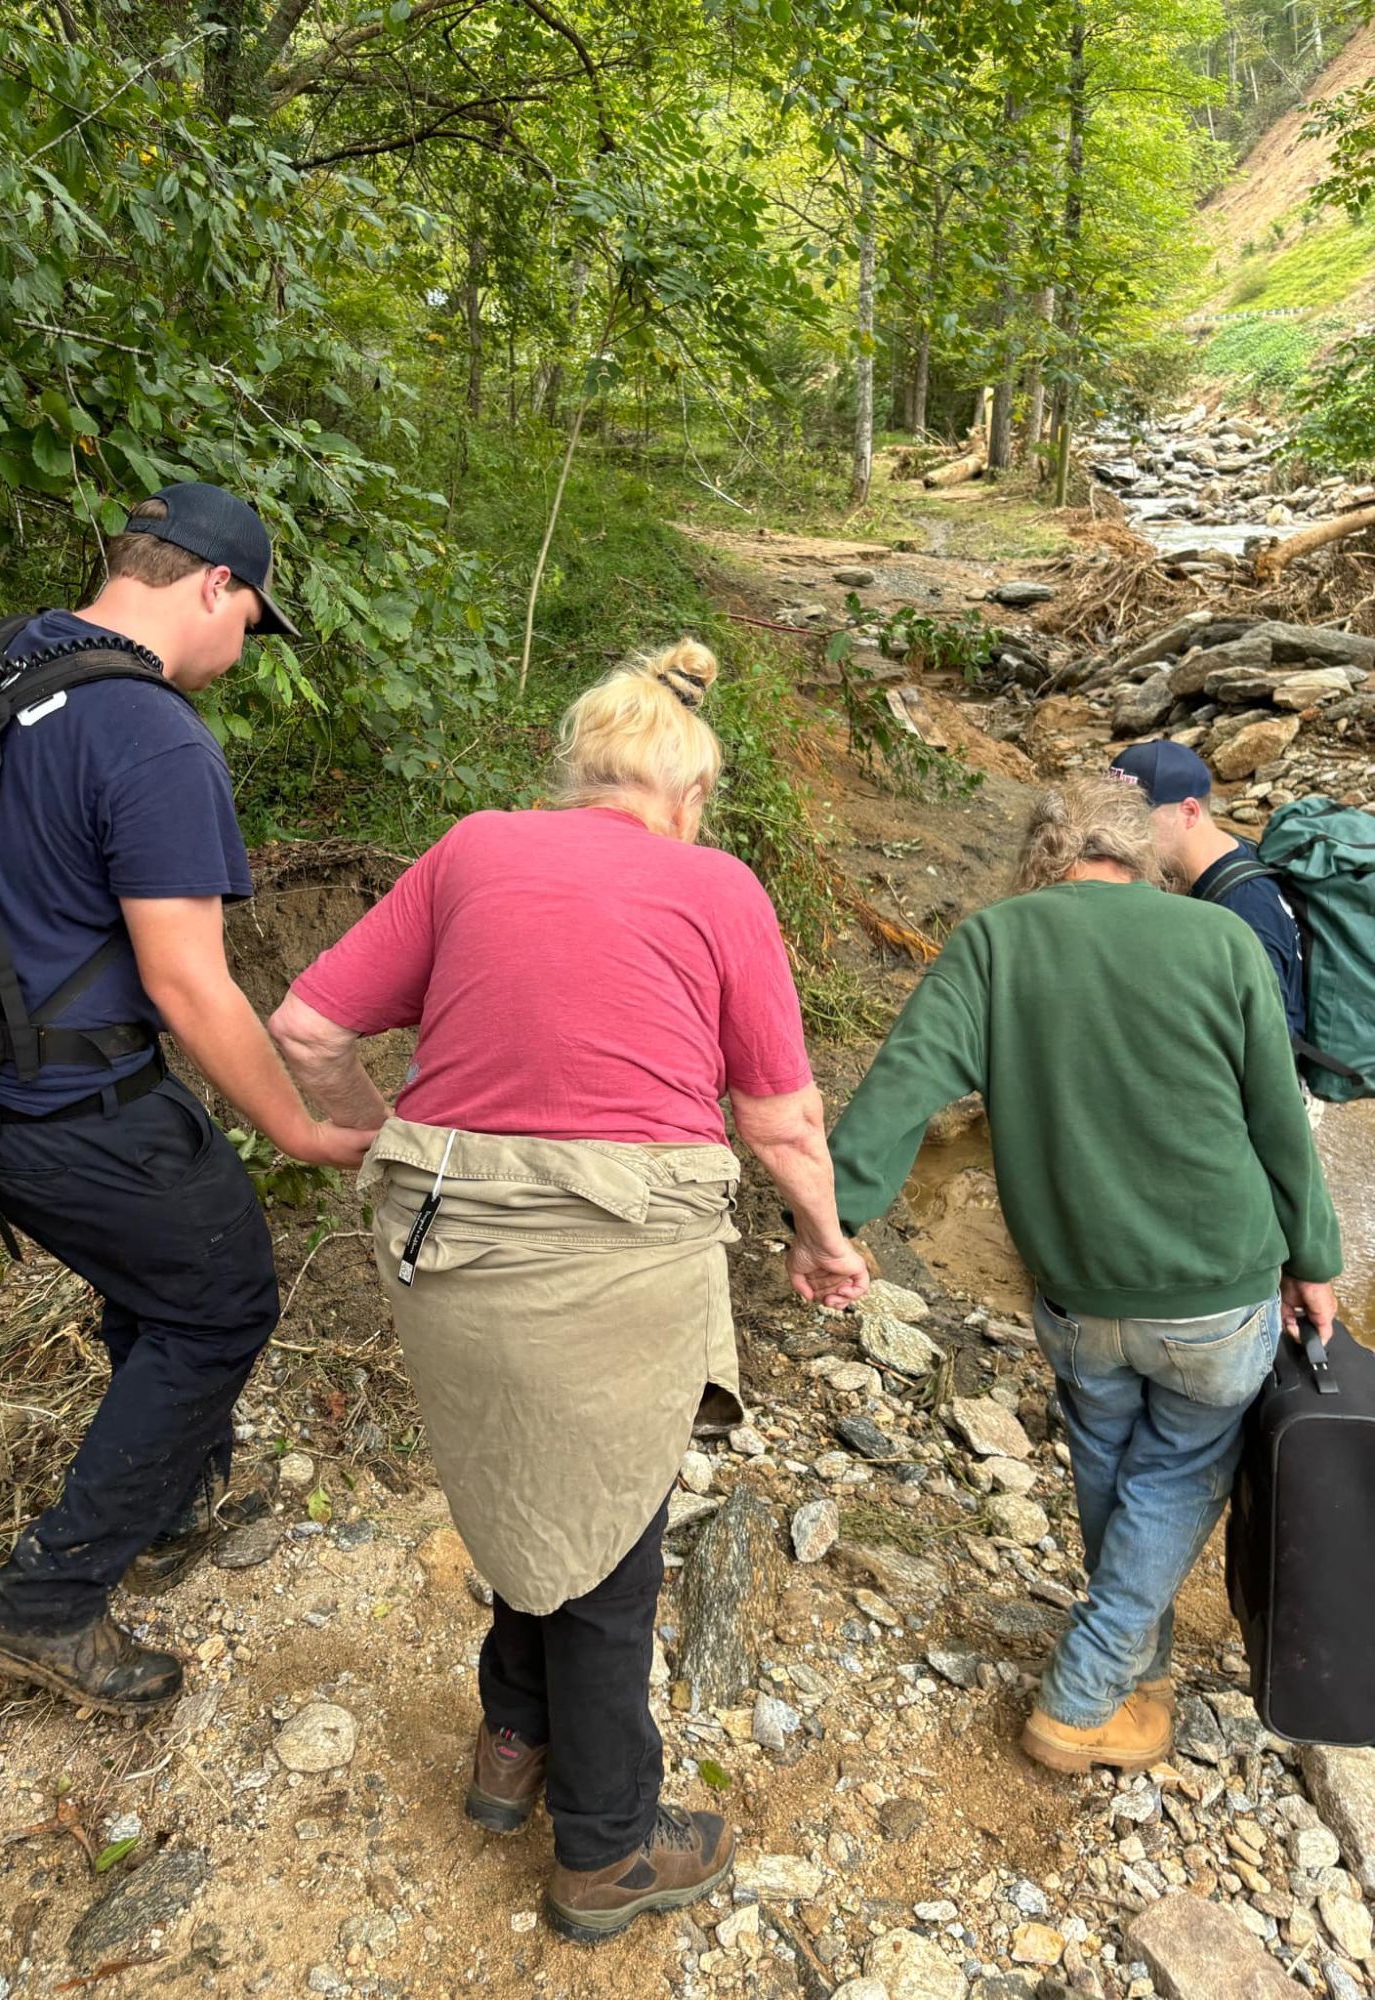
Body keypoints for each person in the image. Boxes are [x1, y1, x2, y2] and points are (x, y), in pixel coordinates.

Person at [269, 640, 869, 1941]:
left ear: (576, 770)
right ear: (687, 788)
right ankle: (604, 1848)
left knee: (521, 1482)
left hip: (448, 1253)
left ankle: (510, 1746)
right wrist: (825, 1240)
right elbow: (778, 1120)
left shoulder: (474, 847)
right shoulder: (715, 886)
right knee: (610, 1546)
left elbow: (308, 1032)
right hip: (614, 1263)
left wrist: (377, 1141)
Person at [0, 484, 377, 1717]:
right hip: (70, 1097)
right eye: (253, 620)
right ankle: (48, 1602)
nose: (243, 651)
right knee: (222, 1301)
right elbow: (189, 980)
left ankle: (173, 1492)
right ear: (214, 587)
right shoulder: (153, 734)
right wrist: (297, 1122)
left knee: (162, 1272)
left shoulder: (6, 661)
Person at [826, 776, 1340, 1776]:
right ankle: (1083, 1693)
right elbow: (1282, 1124)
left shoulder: (996, 940)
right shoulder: (1220, 940)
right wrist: (1314, 1263)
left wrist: (831, 1219)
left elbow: (902, 1083)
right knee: (1178, 1472)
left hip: (1076, 1292)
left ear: (1040, 861)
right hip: (1212, 1291)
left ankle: (1136, 1675)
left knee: (1110, 1463)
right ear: (1141, 857)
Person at [1108, 740, 1306, 1041]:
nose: (1118, 833)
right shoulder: (1222, 856)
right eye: (1112, 817)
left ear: (1189, 812)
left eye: (1133, 818)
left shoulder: (1246, 905)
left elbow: (1273, 1039)